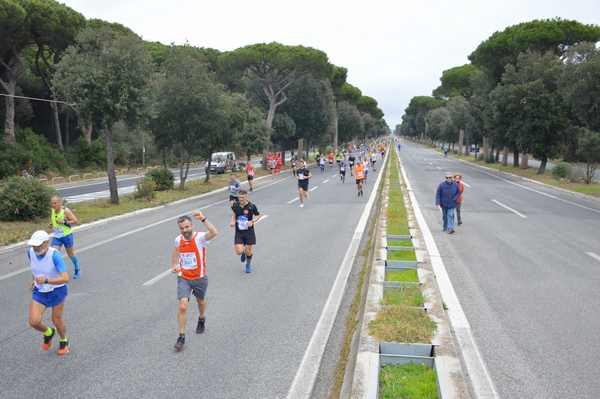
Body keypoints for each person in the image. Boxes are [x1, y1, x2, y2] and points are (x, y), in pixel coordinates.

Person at [171, 212, 218, 352]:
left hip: (200, 278)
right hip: (184, 277)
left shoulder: (200, 238)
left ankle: (202, 318)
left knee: (200, 301)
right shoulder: (178, 239)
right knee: (183, 306)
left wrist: (203, 218)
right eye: (182, 228)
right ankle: (181, 336)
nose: (184, 230)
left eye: (186, 227)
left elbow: (214, 232)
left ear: (191, 225)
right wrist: (174, 264)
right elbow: (175, 252)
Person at [26, 230, 70, 356]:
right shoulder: (30, 253)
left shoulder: (54, 255)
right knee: (34, 321)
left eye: (38, 245)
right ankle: (48, 332)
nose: (35, 248)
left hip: (57, 290)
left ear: (46, 243)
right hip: (40, 291)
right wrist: (34, 281)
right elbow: (35, 269)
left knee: (56, 319)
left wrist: (46, 280)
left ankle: (64, 340)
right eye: (34, 245)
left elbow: (65, 278)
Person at [230, 190, 262, 273]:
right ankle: (243, 252)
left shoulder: (251, 206)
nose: (241, 199)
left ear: (246, 197)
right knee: (238, 252)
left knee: (249, 251)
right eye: (239, 197)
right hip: (239, 232)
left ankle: (248, 265)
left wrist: (253, 221)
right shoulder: (235, 205)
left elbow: (258, 215)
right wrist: (232, 221)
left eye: (242, 197)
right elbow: (234, 214)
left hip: (249, 232)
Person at [49, 195, 81, 279]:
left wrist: (64, 222)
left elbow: (75, 221)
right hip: (57, 236)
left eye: (55, 203)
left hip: (66, 236)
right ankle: (58, 273)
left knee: (70, 254)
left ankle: (77, 268)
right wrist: (52, 224)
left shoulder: (65, 211)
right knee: (53, 254)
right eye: (52, 203)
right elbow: (54, 219)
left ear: (60, 203)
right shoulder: (52, 210)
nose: (53, 205)